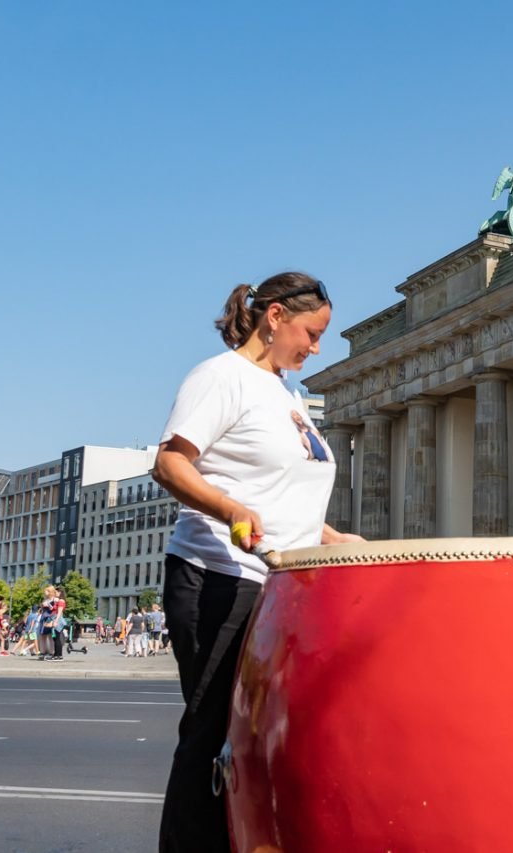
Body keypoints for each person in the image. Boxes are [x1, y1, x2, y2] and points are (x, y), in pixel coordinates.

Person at [152, 271, 362, 853]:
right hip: (218, 576)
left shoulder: (287, 395)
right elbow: (170, 465)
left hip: (277, 583)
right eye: (311, 333)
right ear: (274, 318)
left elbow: (278, 494)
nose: (316, 347)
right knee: (213, 733)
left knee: (254, 735)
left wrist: (333, 537)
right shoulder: (221, 378)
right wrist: (228, 507)